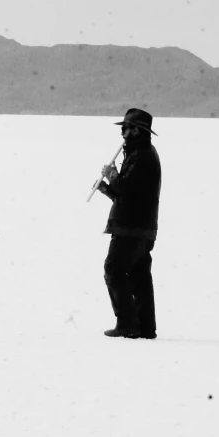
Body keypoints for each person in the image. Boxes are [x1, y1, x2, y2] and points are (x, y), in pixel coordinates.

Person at [97, 108, 161, 339]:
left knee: (114, 269)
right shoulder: (141, 153)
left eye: (125, 128)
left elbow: (124, 186)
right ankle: (145, 326)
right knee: (139, 274)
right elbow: (128, 194)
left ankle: (127, 324)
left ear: (136, 130)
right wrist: (106, 188)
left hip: (131, 228)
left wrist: (112, 174)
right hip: (141, 227)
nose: (122, 133)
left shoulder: (142, 156)